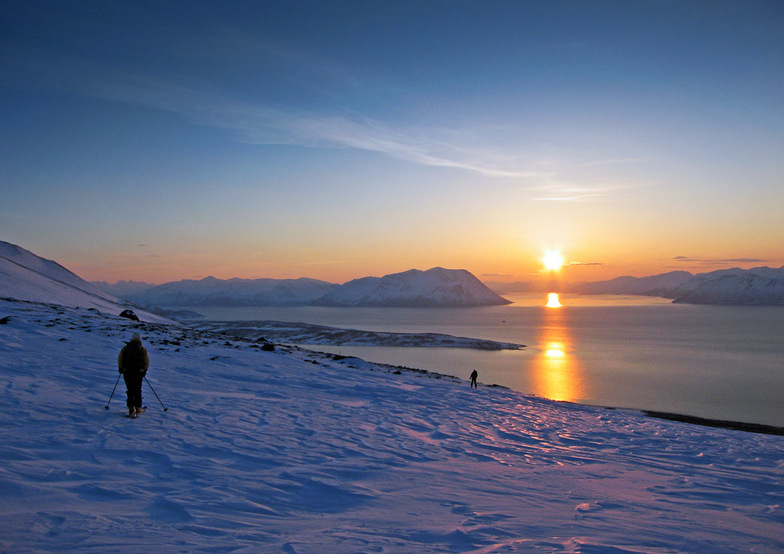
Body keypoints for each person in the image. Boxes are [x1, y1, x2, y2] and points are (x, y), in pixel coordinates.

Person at [118, 333, 150, 417]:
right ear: (140, 339)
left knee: (130, 390)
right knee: (137, 390)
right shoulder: (142, 349)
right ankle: (138, 408)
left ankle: (131, 408)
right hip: (138, 373)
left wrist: (121, 368)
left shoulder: (126, 348)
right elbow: (146, 361)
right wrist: (144, 370)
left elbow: (120, 358)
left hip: (127, 372)